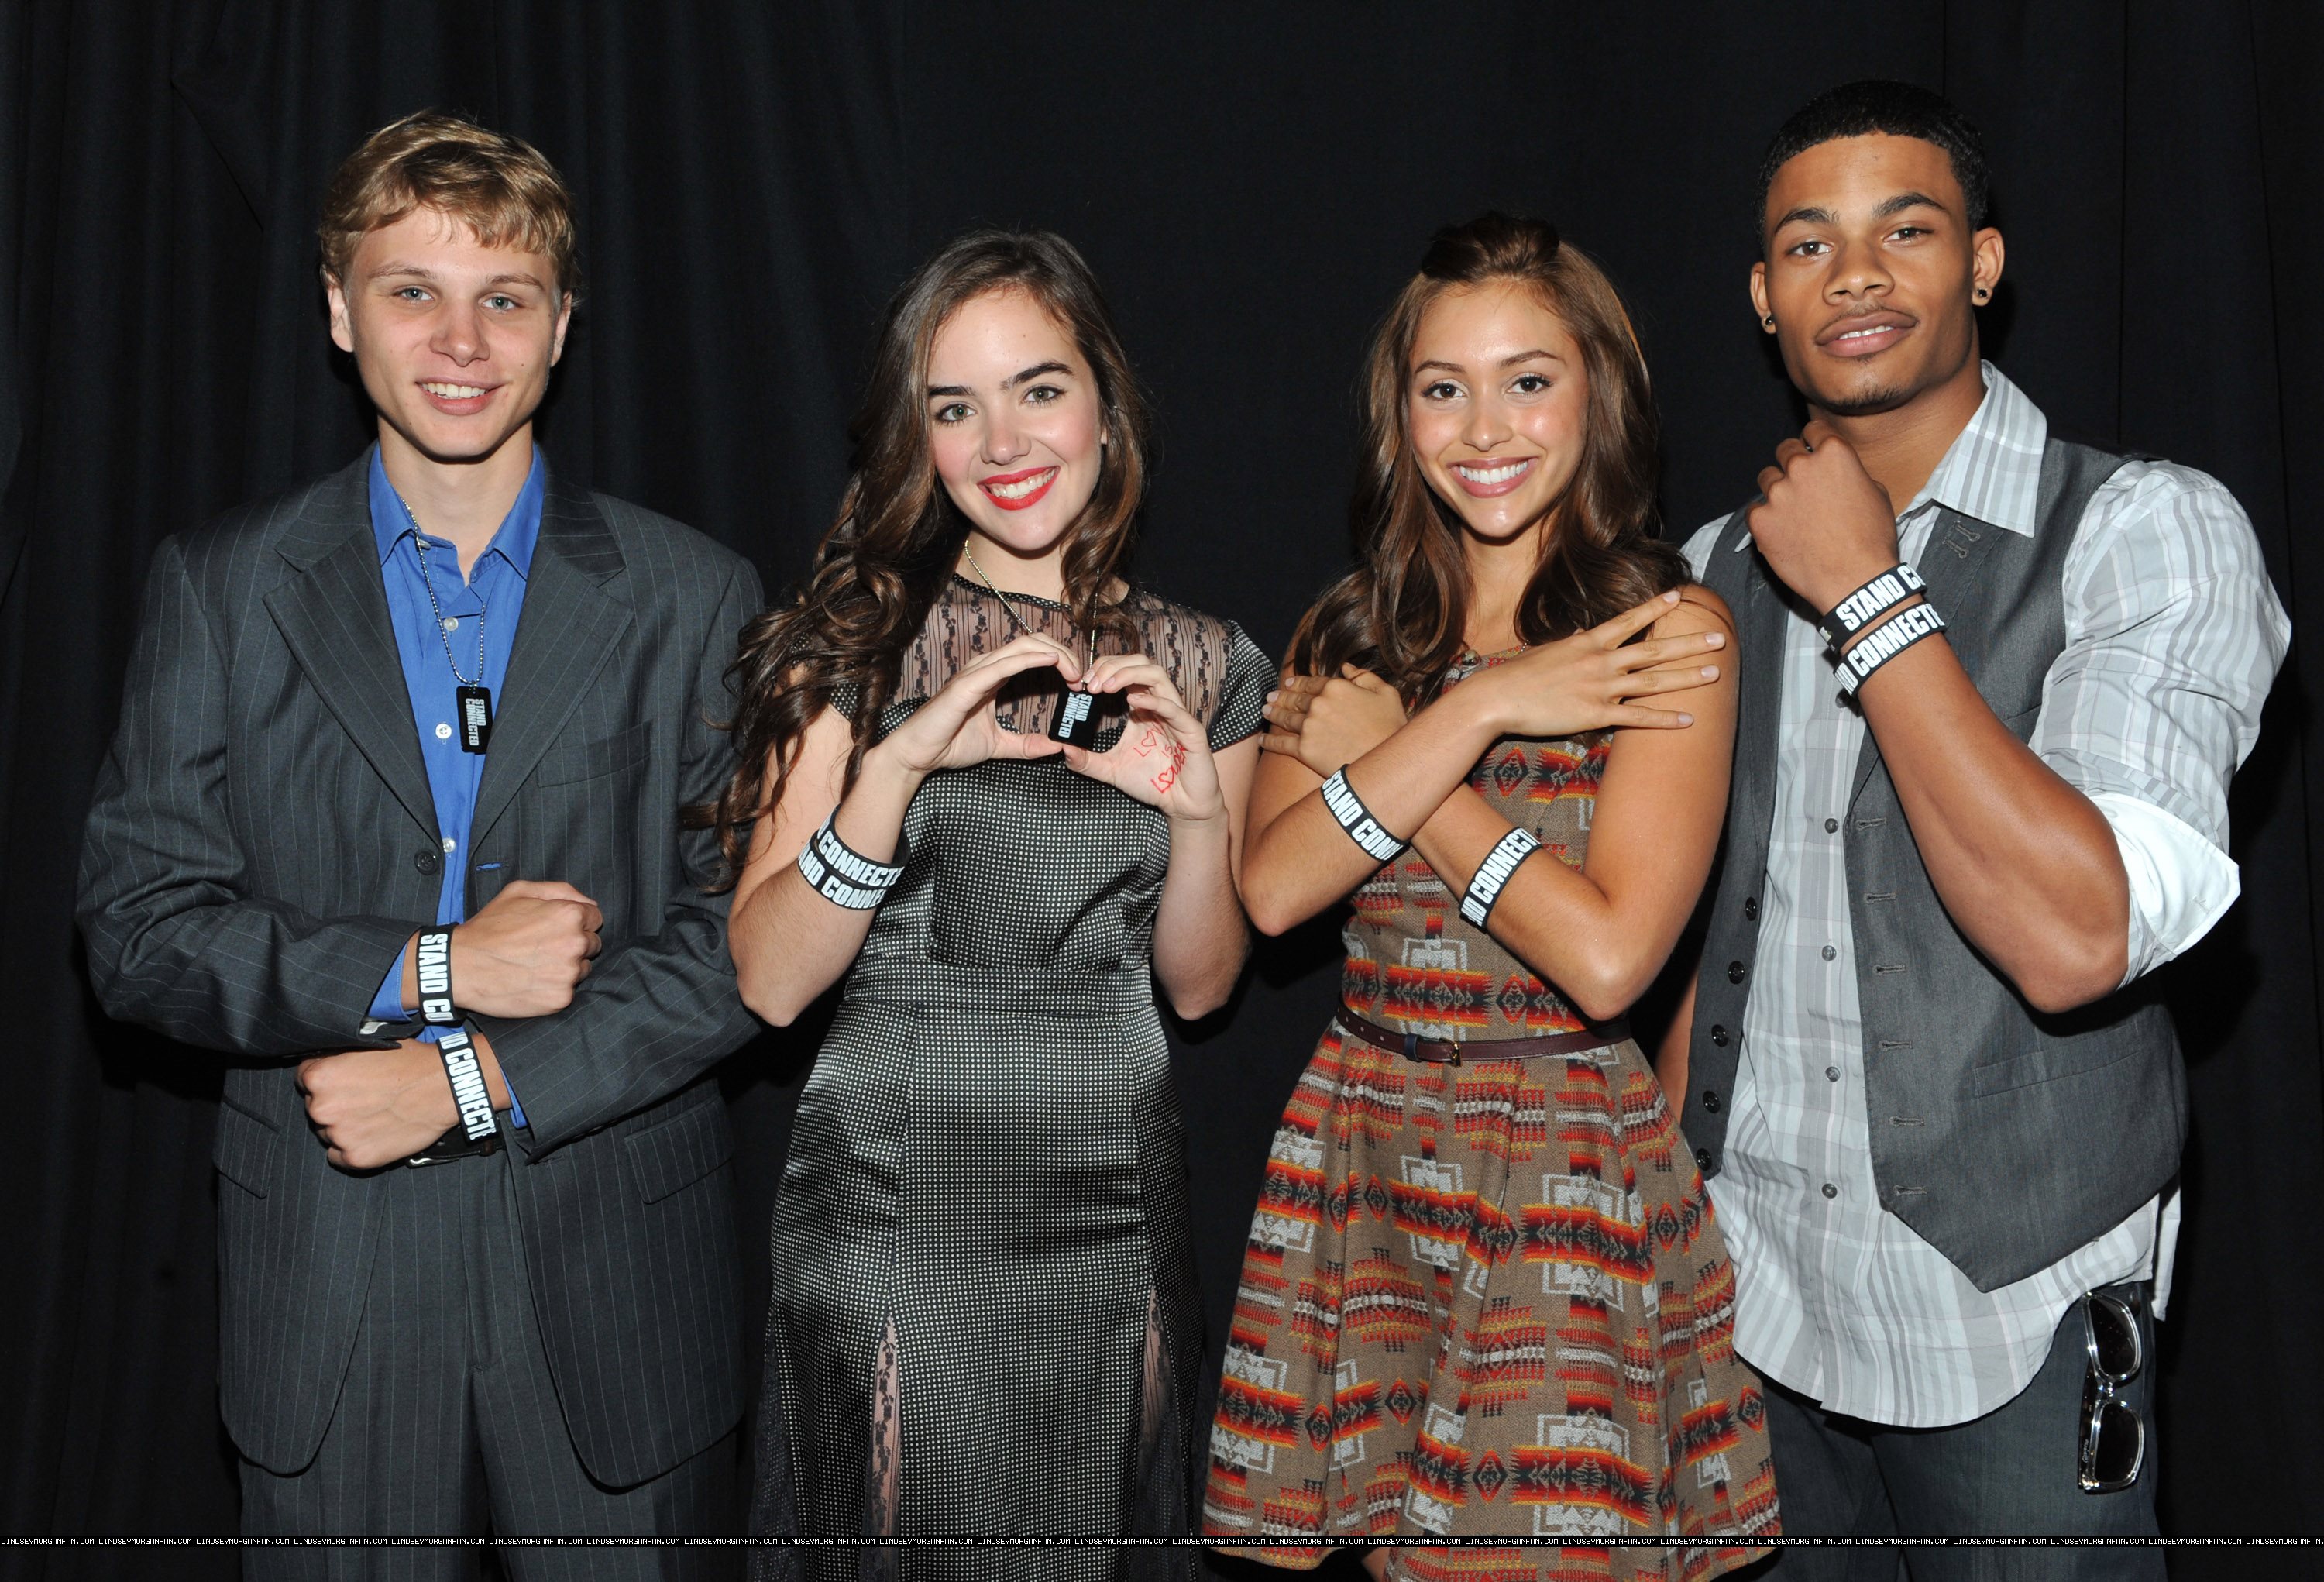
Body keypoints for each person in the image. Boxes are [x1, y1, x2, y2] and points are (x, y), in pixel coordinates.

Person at [77, 112, 763, 1565]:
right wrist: (434, 966)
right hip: (329, 1285)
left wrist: (463, 1081)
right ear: (339, 310)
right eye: (412, 291)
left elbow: (739, 948)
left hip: (614, 1279)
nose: (462, 340)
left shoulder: (694, 593)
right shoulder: (222, 587)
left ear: (562, 326)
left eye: (506, 297)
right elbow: (136, 932)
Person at [1664, 81, 2290, 1572]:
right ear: (1763, 297)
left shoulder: (2149, 527)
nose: (1854, 274)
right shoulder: (1711, 565)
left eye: (1907, 230)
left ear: (1984, 264)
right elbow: (1714, 918)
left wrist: (1870, 596)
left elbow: (2078, 938)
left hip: (2011, 1317)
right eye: (1808, 244)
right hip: (1748, 1299)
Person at [1202, 213, 1777, 1577]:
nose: (1484, 427)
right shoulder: (1352, 630)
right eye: (1442, 387)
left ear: (1598, 392)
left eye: (1528, 380)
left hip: (1557, 1158)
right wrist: (1478, 710)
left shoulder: (1667, 633)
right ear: (1399, 416)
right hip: (1363, 1146)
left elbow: (1609, 955)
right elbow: (1273, 890)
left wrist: (1419, 747)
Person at [713, 228, 1272, 1569]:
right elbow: (771, 982)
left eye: (1039, 388)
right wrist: (895, 767)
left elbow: (1202, 986)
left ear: (1106, 408)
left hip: (1114, 1196)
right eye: (954, 406)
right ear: (918, 438)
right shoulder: (849, 648)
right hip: (892, 1191)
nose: (1004, 440)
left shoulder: (1208, 662)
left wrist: (1199, 815)